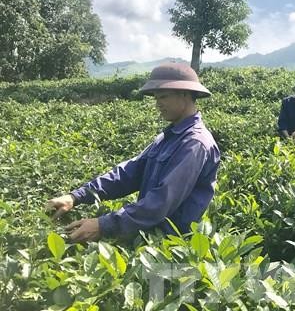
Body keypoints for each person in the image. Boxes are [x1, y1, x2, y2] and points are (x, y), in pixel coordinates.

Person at [46, 63, 221, 242]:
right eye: (156, 98)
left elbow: (161, 201)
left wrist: (103, 225)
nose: (157, 104)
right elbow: (128, 173)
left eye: (163, 97)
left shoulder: (195, 144)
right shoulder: (169, 136)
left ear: (185, 94)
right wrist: (76, 197)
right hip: (143, 235)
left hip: (167, 248)